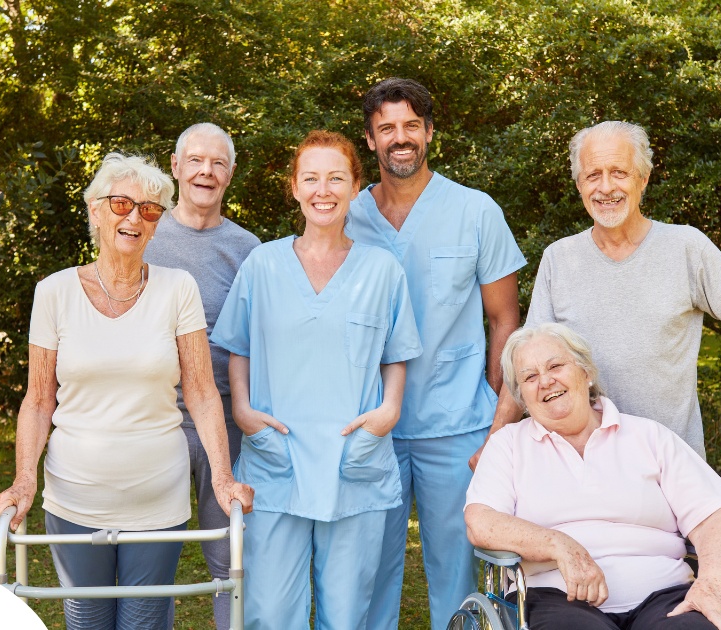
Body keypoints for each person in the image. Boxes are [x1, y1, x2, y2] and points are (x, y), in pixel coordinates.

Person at [0, 152, 253, 630]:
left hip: (157, 499)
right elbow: (38, 399)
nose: (135, 217)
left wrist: (222, 476)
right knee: (87, 620)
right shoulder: (54, 292)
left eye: (150, 209)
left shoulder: (178, 288)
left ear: (158, 224)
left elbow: (200, 390)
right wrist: (23, 479)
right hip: (74, 496)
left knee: (144, 622)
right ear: (95, 210)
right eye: (121, 204)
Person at [481, 120, 721, 478]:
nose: (605, 187)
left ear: (643, 179)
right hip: (581, 470)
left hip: (671, 470)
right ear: (579, 185)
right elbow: (527, 365)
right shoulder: (559, 258)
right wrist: (496, 441)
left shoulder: (686, 247)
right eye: (592, 175)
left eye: (619, 173)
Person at [211, 130, 422, 629]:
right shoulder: (262, 264)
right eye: (311, 178)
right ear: (294, 187)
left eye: (335, 178)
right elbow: (237, 346)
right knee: (268, 611)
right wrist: (242, 408)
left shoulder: (382, 270)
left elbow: (397, 354)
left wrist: (389, 410)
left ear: (355, 186)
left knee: (349, 614)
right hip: (276, 455)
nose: (322, 189)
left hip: (353, 456)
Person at [346, 78, 526, 630]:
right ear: (371, 140)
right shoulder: (348, 215)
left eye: (409, 126)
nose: (399, 139)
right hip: (370, 422)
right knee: (368, 565)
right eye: (386, 129)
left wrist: (499, 415)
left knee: (457, 568)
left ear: (428, 132)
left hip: (457, 423)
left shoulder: (476, 211)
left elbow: (505, 319)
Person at [466, 323, 721, 630]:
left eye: (556, 366)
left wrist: (713, 585)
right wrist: (560, 545)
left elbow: (717, 516)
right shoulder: (508, 445)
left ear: (586, 373)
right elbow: (481, 521)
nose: (545, 381)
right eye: (530, 377)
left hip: (665, 595)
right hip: (554, 598)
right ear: (522, 397)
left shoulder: (648, 436)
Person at [142, 122, 260, 629]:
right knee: (150, 565)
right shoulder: (142, 236)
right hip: (154, 422)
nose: (205, 172)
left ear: (230, 174)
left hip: (224, 423)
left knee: (229, 560)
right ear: (175, 167)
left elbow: (260, 342)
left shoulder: (249, 249)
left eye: (217, 163)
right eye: (195, 161)